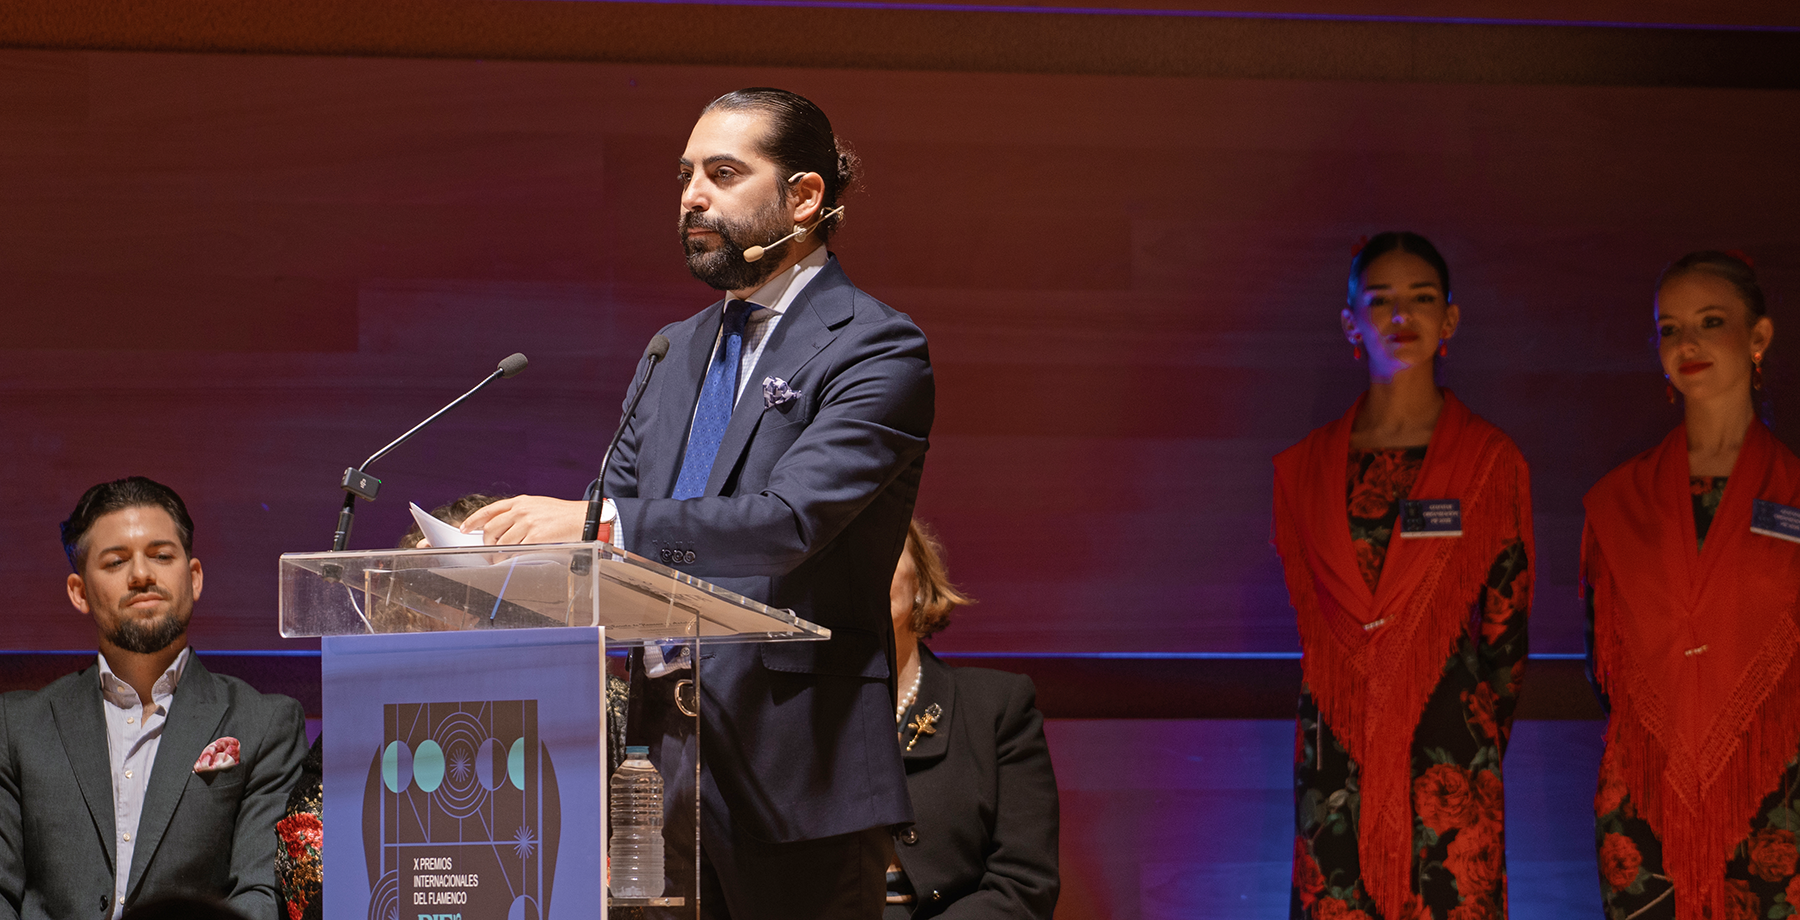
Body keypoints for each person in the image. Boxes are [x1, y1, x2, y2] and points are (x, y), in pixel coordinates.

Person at [457, 88, 934, 918]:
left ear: (806, 196)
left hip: (796, 770)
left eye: (722, 173)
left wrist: (592, 523)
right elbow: (620, 520)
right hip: (658, 765)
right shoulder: (673, 350)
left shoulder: (876, 346)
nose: (691, 197)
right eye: (685, 175)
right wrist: (486, 558)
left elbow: (789, 524)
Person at [1272, 233, 1532, 919]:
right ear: (1350, 322)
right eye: (1380, 299)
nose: (1400, 316)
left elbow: (1507, 640)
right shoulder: (1302, 471)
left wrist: (1459, 732)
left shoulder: (1488, 462)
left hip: (1451, 753)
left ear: (1449, 319)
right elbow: (1312, 627)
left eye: (1421, 298)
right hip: (1335, 754)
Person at [1584, 250, 1796, 920]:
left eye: (1710, 321)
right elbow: (1601, 658)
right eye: (1670, 328)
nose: (1688, 343)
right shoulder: (1618, 499)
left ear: (1758, 337)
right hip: (1644, 798)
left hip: (1781, 797)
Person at [0, 476, 308, 920]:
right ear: (79, 592)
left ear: (195, 577)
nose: (142, 574)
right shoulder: (17, 727)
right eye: (115, 562)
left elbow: (259, 897)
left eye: (162, 556)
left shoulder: (264, 723)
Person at [884, 519, 1058, 919]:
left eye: (884, 548)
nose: (866, 567)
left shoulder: (997, 706)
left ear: (921, 582)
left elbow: (1025, 884)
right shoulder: (785, 712)